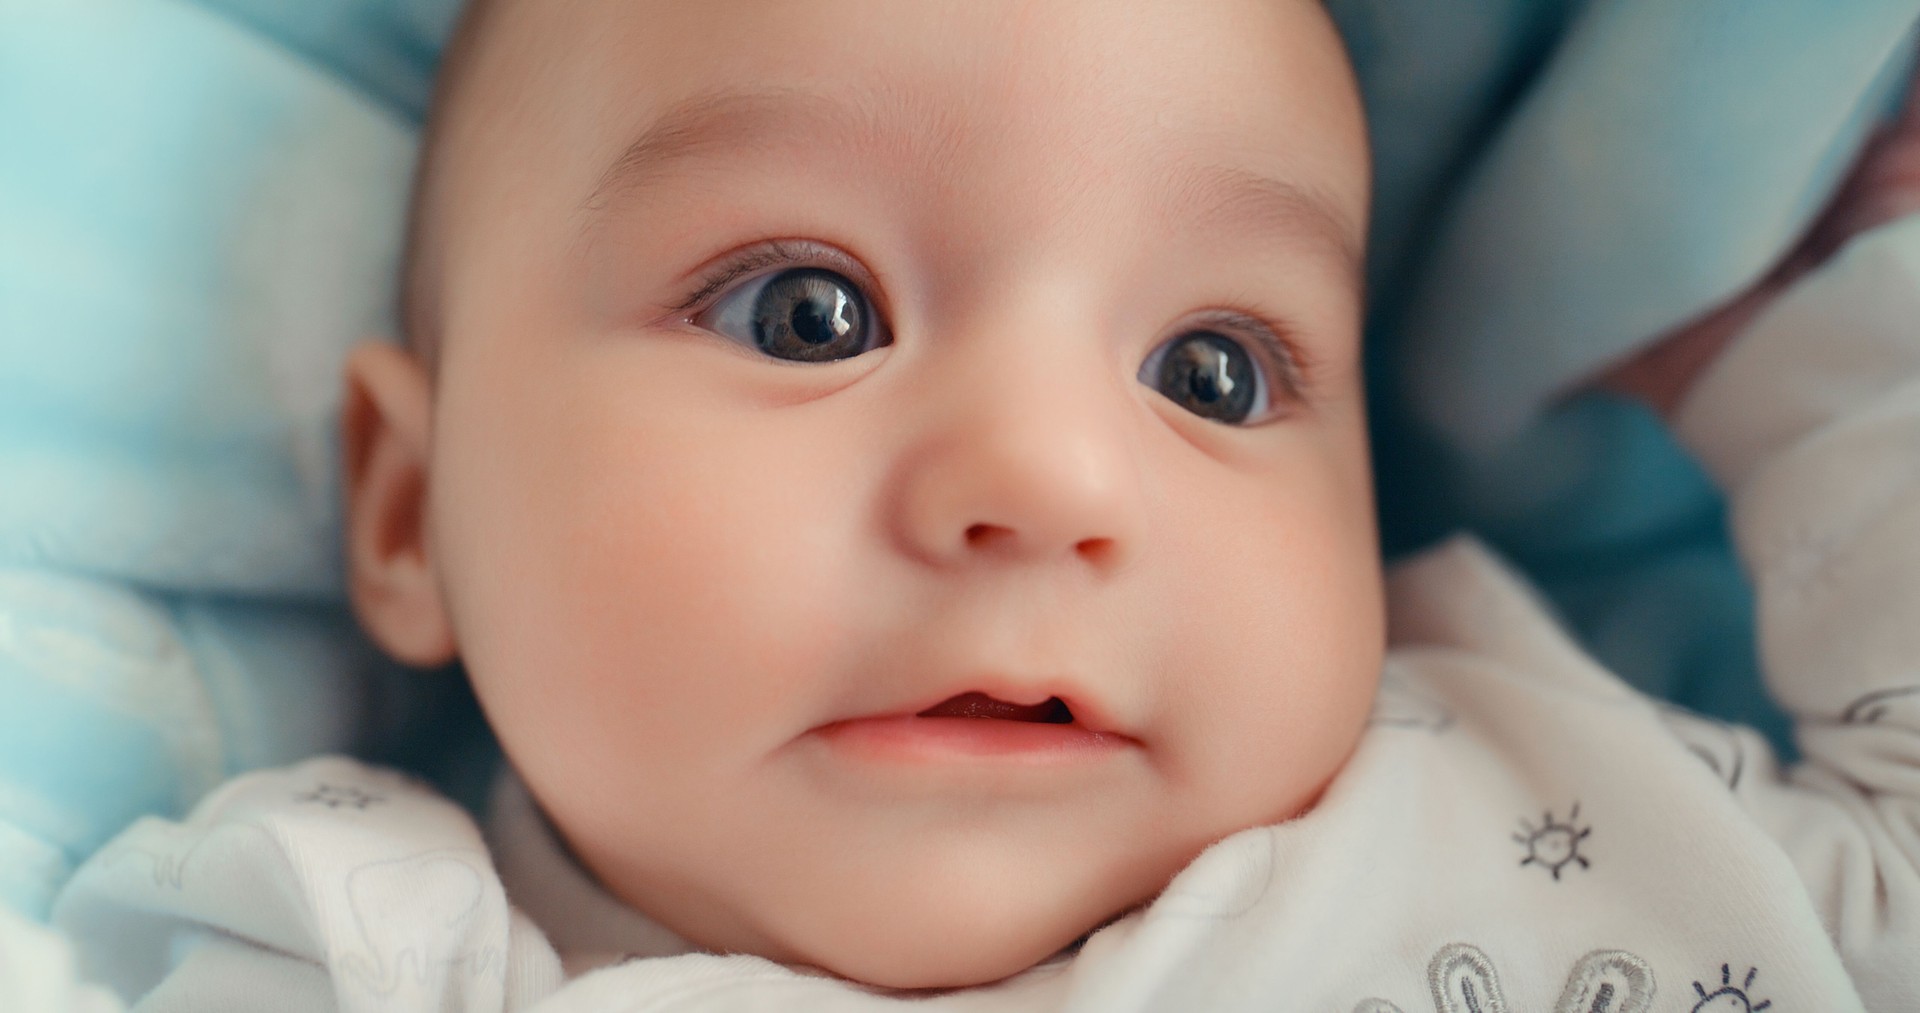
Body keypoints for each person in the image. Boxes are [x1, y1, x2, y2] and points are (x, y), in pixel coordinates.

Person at [25, 0, 1920, 1008]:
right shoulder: (358, 946)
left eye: (1213, 373)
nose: (1044, 481)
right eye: (809, 311)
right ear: (410, 512)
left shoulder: (1542, 797)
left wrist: (1841, 354)